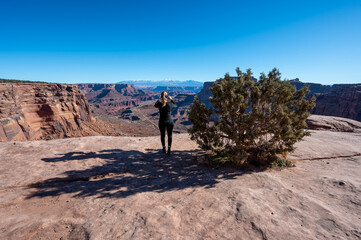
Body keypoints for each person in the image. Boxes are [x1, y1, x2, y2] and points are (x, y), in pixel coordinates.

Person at [154, 91, 177, 155]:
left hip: (162, 122)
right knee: (170, 135)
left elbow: (155, 105)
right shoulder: (169, 104)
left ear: (161, 97)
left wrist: (158, 100)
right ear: (167, 98)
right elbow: (175, 105)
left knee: (162, 135)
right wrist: (171, 100)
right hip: (170, 121)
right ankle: (169, 149)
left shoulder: (159, 104)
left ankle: (164, 148)